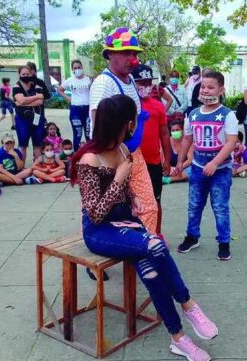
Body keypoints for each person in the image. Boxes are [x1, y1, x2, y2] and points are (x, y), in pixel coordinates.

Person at [71, 94, 217, 361]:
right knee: (155, 244)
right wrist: (118, 179)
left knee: (149, 269)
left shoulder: (124, 150)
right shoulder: (89, 160)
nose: (136, 124)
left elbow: (124, 193)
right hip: (100, 231)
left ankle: (179, 339)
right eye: (134, 120)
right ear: (126, 123)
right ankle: (188, 304)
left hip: (127, 222)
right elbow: (95, 213)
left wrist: (133, 197)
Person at [89, 26, 159, 235]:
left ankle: (145, 251)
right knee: (112, 212)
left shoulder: (128, 81)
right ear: (110, 54)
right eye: (126, 53)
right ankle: (122, 254)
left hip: (132, 155)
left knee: (147, 207)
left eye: (134, 54)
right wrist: (114, 165)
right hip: (112, 157)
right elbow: (98, 126)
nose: (133, 59)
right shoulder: (104, 84)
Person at [176, 71, 237, 261]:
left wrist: (215, 162)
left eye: (211, 87)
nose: (205, 90)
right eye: (203, 86)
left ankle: (224, 242)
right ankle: (192, 236)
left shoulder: (227, 115)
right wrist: (179, 160)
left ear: (221, 89)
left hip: (220, 171)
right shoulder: (192, 115)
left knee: (220, 207)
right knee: (194, 205)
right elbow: (187, 139)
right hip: (196, 169)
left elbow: (231, 142)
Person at [133, 64, 172, 234]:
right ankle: (136, 236)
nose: (145, 87)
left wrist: (167, 160)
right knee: (133, 203)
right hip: (133, 163)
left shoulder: (157, 106)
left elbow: (164, 133)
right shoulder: (128, 104)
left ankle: (157, 234)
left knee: (156, 201)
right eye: (141, 83)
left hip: (154, 162)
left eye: (149, 83)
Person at [12, 66, 47, 162]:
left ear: (31, 74)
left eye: (27, 74)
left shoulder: (37, 85)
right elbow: (21, 100)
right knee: (23, 144)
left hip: (37, 117)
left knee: (37, 144)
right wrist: (36, 96)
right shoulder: (16, 87)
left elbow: (40, 101)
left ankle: (38, 167)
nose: (25, 76)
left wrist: (22, 103)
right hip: (22, 119)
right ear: (19, 74)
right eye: (23, 74)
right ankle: (21, 167)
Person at [58, 59, 92, 151]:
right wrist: (68, 98)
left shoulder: (89, 79)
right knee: (77, 134)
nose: (77, 69)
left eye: (79, 67)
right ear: (72, 69)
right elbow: (60, 89)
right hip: (75, 110)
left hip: (88, 109)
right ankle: (76, 157)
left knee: (89, 134)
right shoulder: (70, 80)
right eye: (75, 68)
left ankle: (91, 156)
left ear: (82, 67)